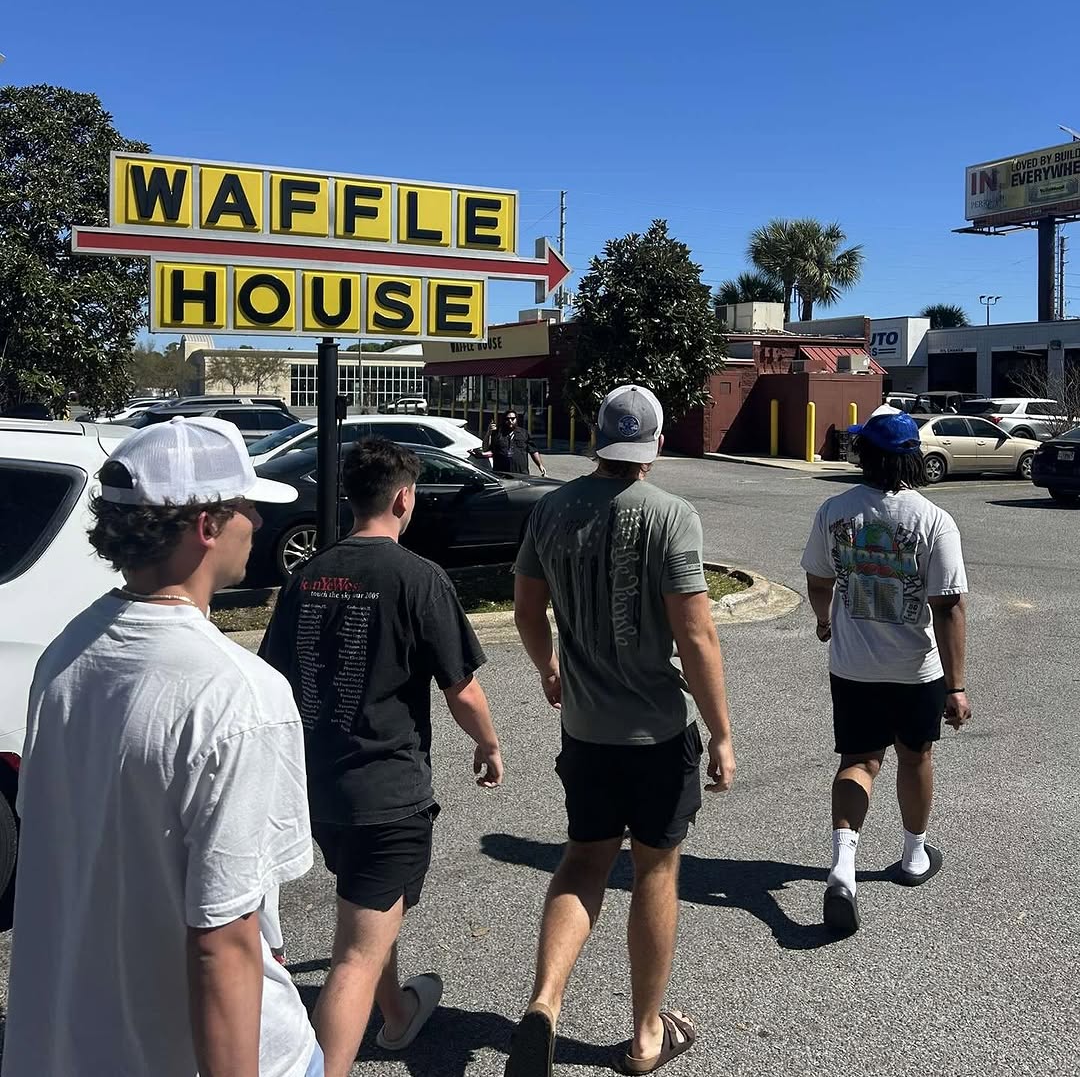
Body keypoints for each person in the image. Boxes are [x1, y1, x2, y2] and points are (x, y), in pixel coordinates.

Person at [2, 417, 322, 1077]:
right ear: (206, 525)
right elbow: (224, 942)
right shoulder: (238, 695)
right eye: (247, 507)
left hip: (81, 1047)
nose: (258, 524)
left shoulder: (66, 654)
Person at [506, 384, 736, 1077]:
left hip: (585, 731)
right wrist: (721, 732)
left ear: (597, 440)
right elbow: (695, 634)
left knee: (583, 862)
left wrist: (549, 667)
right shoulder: (671, 514)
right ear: (655, 445)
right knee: (656, 869)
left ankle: (545, 1003)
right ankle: (644, 1035)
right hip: (657, 733)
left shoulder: (550, 509)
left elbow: (526, 609)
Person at [260, 438, 504, 1077]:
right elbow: (462, 688)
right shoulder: (418, 577)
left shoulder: (306, 577)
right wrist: (487, 743)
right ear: (404, 498)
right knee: (354, 956)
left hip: (319, 791)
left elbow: (272, 680)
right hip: (387, 795)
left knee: (367, 911)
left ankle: (396, 1014)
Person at [801, 409, 973, 936]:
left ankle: (843, 866)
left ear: (866, 457)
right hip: (915, 670)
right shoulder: (934, 520)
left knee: (858, 762)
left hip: (853, 667)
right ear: (912, 460)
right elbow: (948, 607)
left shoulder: (835, 511)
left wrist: (824, 619)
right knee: (915, 756)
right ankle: (915, 855)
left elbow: (819, 579)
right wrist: (956, 686)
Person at [485, 408, 547, 477]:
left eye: (512, 418)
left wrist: (540, 465)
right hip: (501, 474)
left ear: (516, 419)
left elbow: (533, 451)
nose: (510, 421)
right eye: (507, 419)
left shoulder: (523, 433)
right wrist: (489, 433)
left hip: (521, 474)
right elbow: (485, 448)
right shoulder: (497, 434)